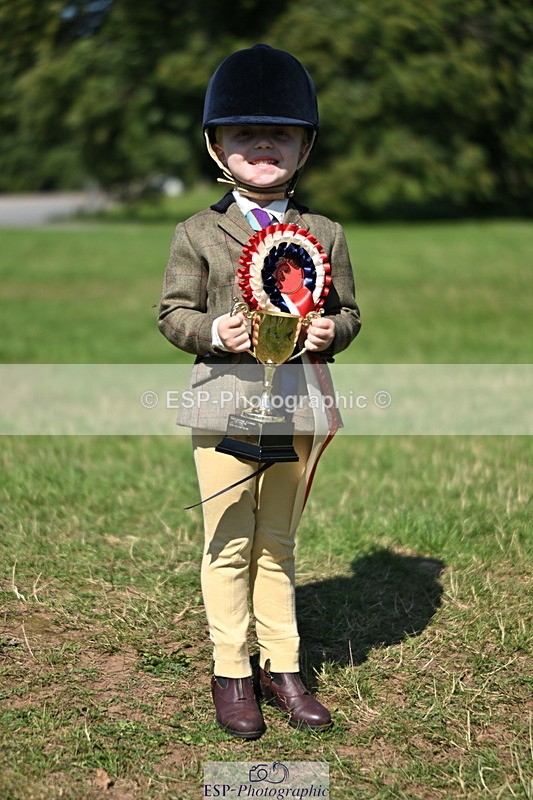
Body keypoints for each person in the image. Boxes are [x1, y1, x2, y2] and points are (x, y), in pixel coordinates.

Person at [158, 44, 361, 739]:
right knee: (228, 544)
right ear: (217, 146)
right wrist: (217, 329)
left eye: (280, 133)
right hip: (223, 405)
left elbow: (350, 312)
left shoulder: (324, 233)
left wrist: (331, 330)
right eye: (245, 133)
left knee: (277, 541)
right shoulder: (196, 233)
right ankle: (230, 670)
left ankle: (283, 666)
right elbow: (171, 315)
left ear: (304, 147)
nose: (263, 145)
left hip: (298, 407)